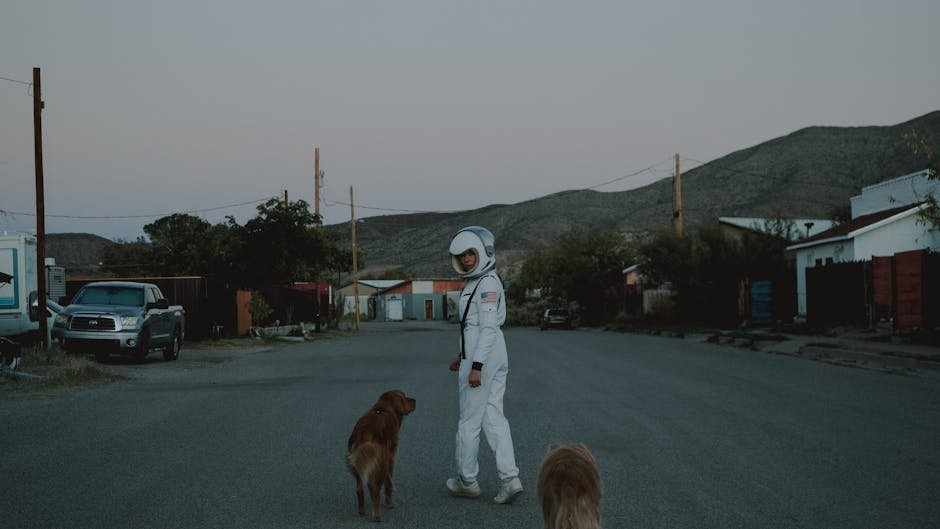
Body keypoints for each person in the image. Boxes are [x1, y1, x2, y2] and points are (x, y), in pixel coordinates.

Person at [445, 226, 523, 504]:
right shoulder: (478, 282)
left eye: (470, 253)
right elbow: (474, 326)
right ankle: (510, 479)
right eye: (462, 255)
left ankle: (467, 480)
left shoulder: (487, 283)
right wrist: (463, 356)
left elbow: (487, 327)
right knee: (492, 416)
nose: (466, 259)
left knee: (469, 420)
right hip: (487, 353)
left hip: (485, 356)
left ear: (483, 252)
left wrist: (476, 365)